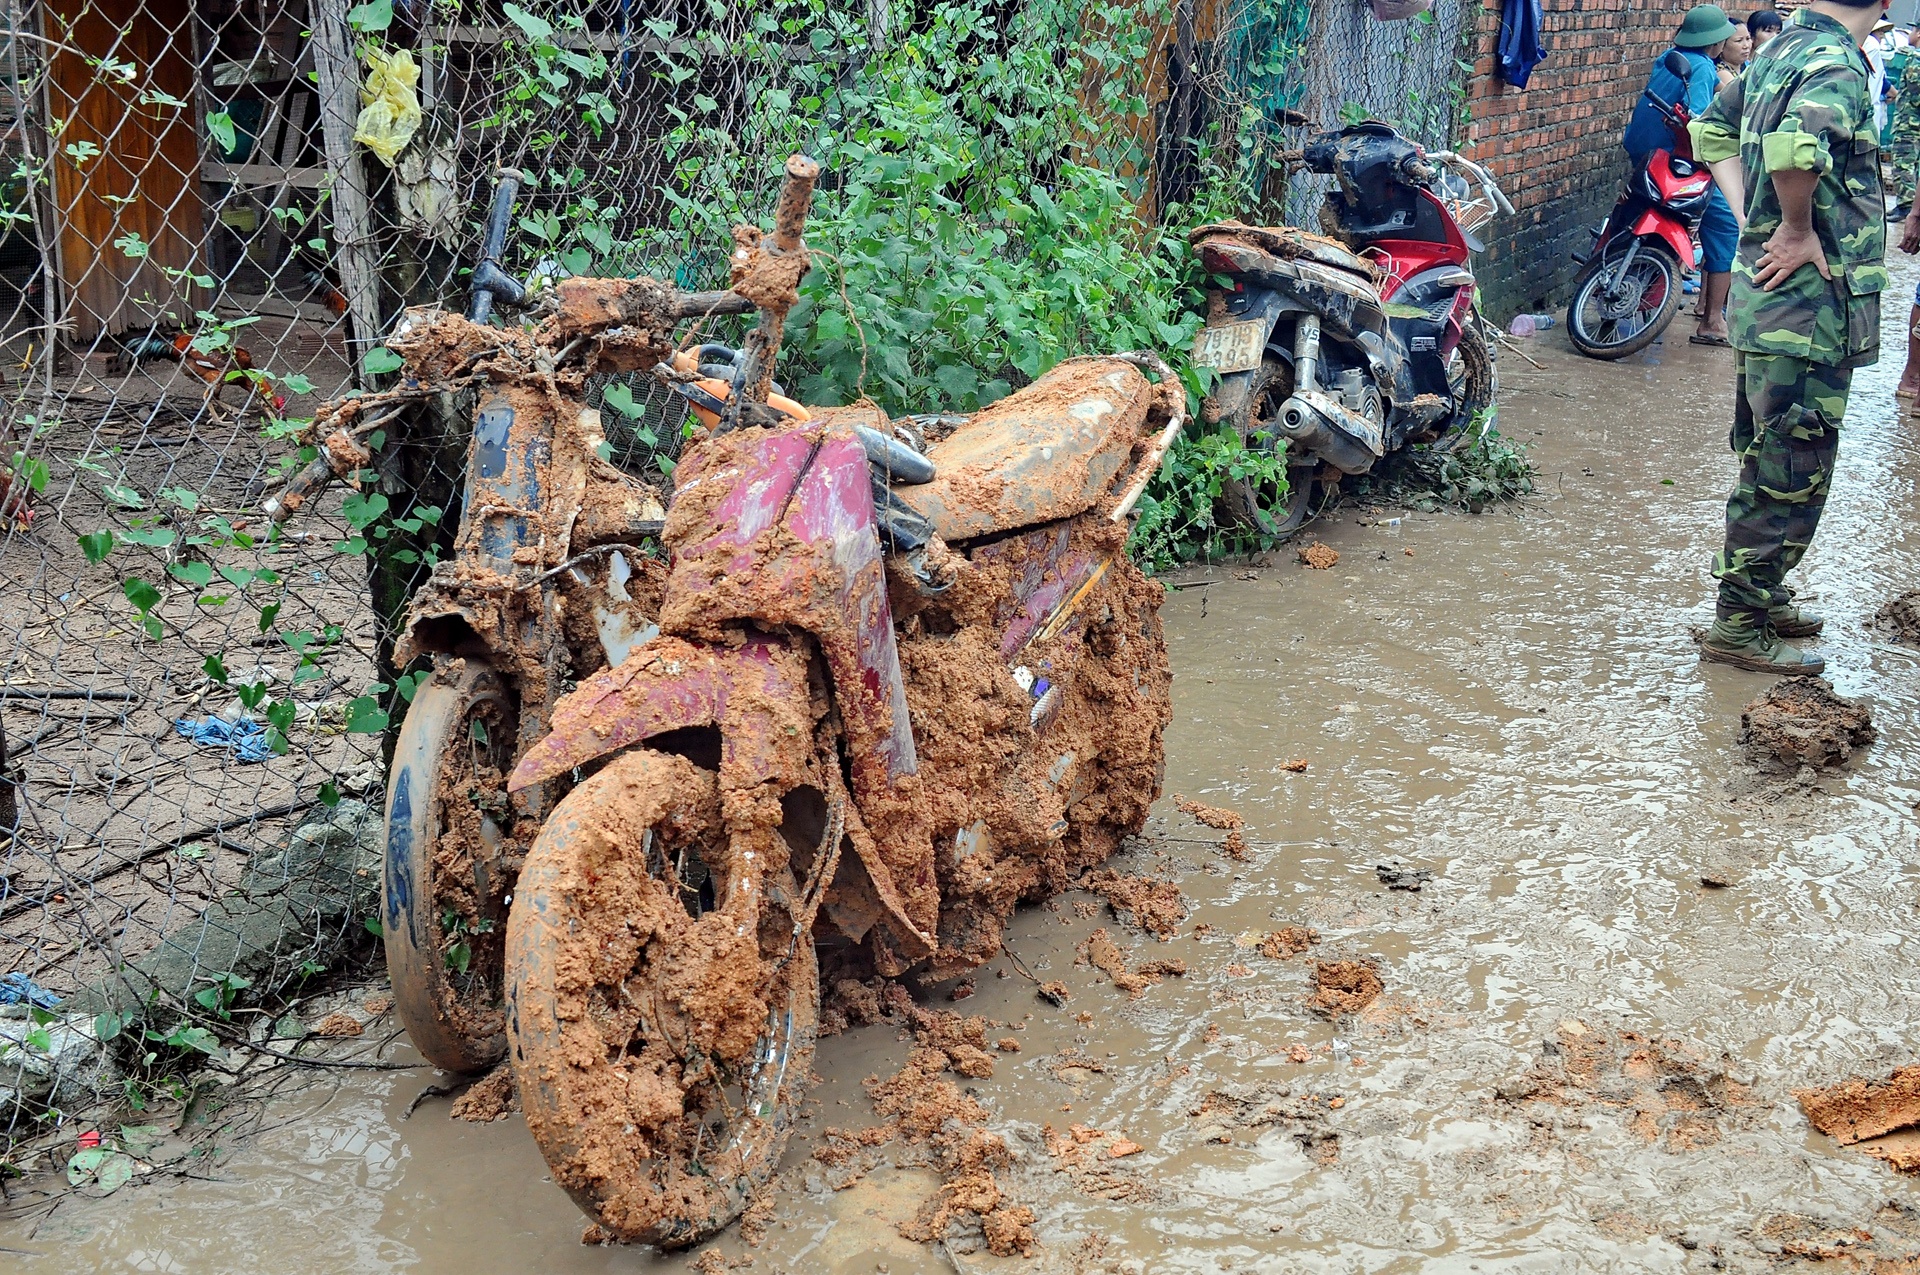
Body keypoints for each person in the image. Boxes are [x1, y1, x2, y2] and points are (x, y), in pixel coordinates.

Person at [1690, 0, 1893, 674]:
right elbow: (1795, 149)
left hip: (1771, 303)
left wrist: (1754, 211)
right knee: (1787, 471)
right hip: (1806, 312)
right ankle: (1738, 627)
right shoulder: (1834, 59)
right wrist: (1795, 225)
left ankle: (1763, 597)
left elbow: (1712, 131)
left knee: (1772, 454)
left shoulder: (1778, 49)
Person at [1625, 5, 1744, 345]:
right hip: (1682, 160)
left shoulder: (1668, 57)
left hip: (1646, 155)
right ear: (1716, 43)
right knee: (1725, 224)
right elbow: (1701, 124)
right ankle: (1712, 320)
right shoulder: (1705, 68)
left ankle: (1701, 301)